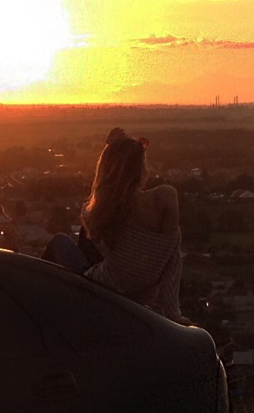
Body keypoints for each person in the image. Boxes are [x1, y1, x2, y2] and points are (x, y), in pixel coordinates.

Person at [42, 128, 184, 321]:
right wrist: (173, 313)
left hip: (100, 288)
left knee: (59, 242)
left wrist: (111, 151)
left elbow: (95, 233)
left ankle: (34, 303)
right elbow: (172, 258)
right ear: (141, 168)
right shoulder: (165, 198)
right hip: (138, 294)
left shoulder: (111, 211)